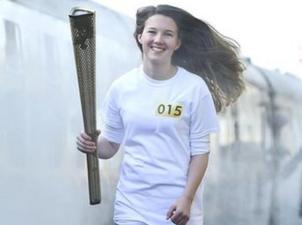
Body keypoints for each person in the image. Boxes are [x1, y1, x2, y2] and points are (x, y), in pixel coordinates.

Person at [76, 5, 245, 225]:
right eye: (152, 32)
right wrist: (92, 144)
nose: (158, 39)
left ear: (177, 43)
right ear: (140, 37)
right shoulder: (122, 87)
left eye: (168, 34)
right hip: (131, 208)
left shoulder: (193, 88)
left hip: (177, 209)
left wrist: (187, 198)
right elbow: (109, 146)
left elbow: (201, 153)